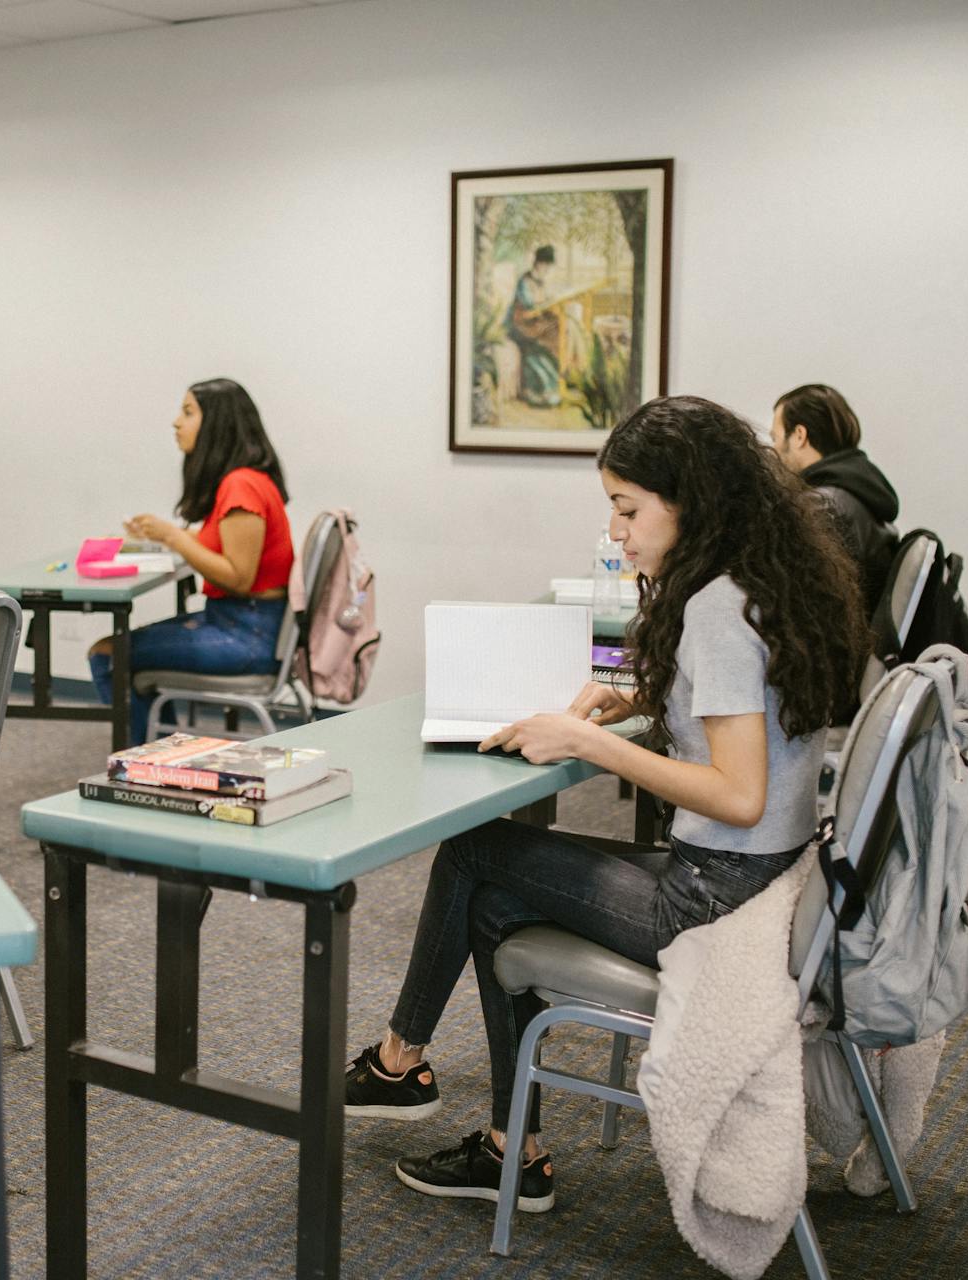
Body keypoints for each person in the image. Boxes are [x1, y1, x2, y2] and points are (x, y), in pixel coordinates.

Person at [343, 396, 869, 1215]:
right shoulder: (761, 583)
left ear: (690, 502)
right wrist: (645, 703)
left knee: (476, 857)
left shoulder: (716, 610)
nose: (617, 532)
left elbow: (738, 793)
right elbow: (747, 732)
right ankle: (480, 1127)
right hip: (770, 875)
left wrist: (589, 742)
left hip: (715, 894)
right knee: (489, 890)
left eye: (627, 510)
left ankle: (413, 1074)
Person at [89, 378, 294, 746]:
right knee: (128, 656)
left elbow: (239, 576)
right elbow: (226, 551)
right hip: (244, 624)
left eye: (187, 413)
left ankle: (143, 762)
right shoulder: (244, 480)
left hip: (247, 635)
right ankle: (159, 752)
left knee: (108, 655)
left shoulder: (241, 485)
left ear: (217, 423)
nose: (175, 423)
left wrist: (174, 536)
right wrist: (164, 535)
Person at [770, 383, 900, 609]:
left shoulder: (821, 507)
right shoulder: (860, 494)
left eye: (776, 438)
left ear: (799, 436)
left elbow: (791, 596)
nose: (773, 451)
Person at [507, 245, 562, 408]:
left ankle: (552, 389)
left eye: (549, 267)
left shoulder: (540, 281)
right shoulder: (524, 281)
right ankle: (536, 393)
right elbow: (528, 305)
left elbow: (541, 302)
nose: (547, 270)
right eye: (546, 266)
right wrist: (544, 303)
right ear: (539, 263)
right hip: (521, 326)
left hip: (533, 324)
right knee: (535, 349)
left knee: (554, 334)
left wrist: (548, 302)